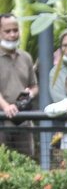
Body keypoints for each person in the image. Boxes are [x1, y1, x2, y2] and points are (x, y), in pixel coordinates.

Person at [0, 11, 38, 159]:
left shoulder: (26, 57)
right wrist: (5, 106)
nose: (12, 34)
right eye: (7, 31)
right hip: (2, 123)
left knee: (26, 162)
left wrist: (31, 93)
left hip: (23, 122)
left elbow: (34, 86)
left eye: (15, 30)